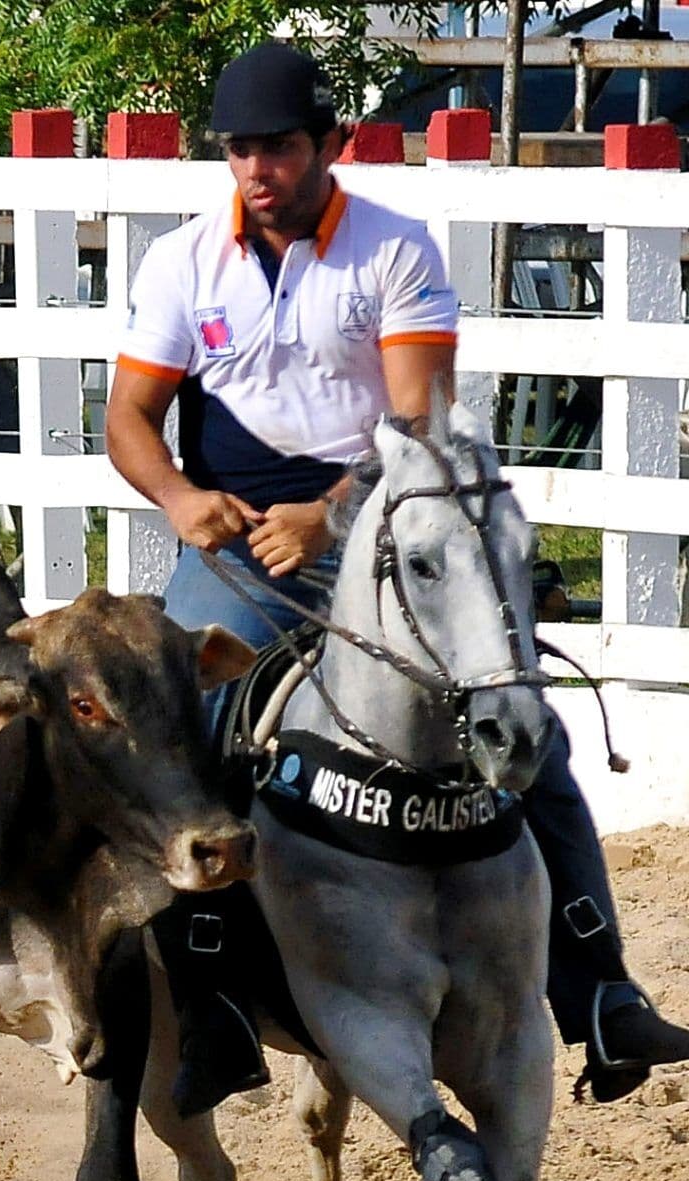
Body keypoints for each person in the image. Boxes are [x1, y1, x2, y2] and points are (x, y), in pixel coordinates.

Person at [106, 41, 689, 1110]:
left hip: (387, 537)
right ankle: (215, 1006)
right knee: (184, 731)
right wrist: (183, 502)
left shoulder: (393, 249)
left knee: (519, 723)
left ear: (328, 144)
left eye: (277, 146)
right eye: (238, 149)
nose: (256, 168)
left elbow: (416, 418)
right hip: (235, 552)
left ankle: (599, 987)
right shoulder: (181, 262)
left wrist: (327, 516)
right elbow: (129, 420)